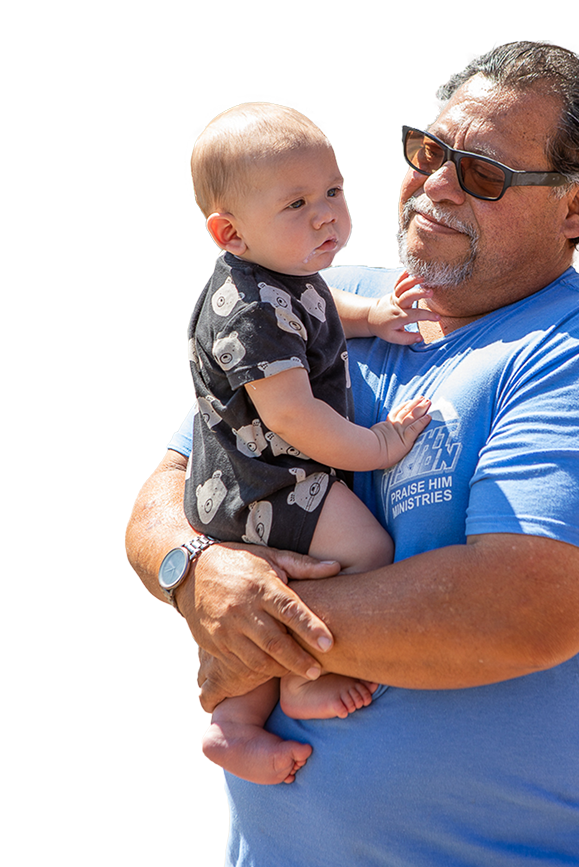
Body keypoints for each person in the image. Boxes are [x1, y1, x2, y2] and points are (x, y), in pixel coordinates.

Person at [126, 41, 579, 866]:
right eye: (432, 152)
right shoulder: (325, 301)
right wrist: (195, 574)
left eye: (483, 173)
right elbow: (171, 487)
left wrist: (253, 625)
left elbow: (515, 612)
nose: (434, 184)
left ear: (575, 209)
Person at [182, 102, 435, 784]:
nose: (327, 214)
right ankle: (302, 681)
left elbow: (322, 306)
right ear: (230, 232)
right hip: (269, 482)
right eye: (296, 203)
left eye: (333, 191)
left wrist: (373, 316)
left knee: (259, 604)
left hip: (243, 483)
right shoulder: (254, 310)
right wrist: (381, 444)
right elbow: (294, 417)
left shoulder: (277, 272)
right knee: (366, 550)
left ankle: (233, 727)